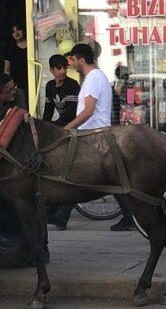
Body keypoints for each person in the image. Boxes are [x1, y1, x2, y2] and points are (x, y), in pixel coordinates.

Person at [64, 43, 137, 231]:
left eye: (73, 59)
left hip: (92, 136)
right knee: (102, 178)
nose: (71, 63)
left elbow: (88, 111)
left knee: (95, 177)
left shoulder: (93, 78)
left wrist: (67, 129)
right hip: (93, 133)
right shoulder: (95, 77)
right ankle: (60, 215)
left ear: (82, 59)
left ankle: (130, 216)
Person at [41, 55, 80, 230]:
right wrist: (42, 129)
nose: (62, 71)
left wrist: (53, 129)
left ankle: (60, 215)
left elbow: (70, 114)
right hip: (60, 131)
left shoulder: (73, 85)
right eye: (58, 68)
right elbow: (48, 111)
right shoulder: (50, 86)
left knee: (69, 174)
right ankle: (52, 211)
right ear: (51, 70)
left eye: (64, 67)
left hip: (73, 129)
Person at [4, 23, 29, 104]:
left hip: (32, 80)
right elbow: (7, 70)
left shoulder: (32, 45)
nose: (16, 33)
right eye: (13, 32)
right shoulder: (10, 50)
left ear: (23, 30)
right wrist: (8, 86)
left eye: (18, 30)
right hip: (17, 83)